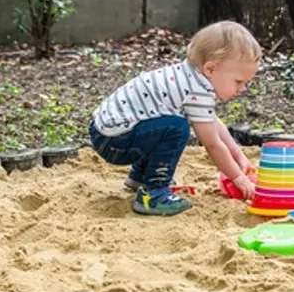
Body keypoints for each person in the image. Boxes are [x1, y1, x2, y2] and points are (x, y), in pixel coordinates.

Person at [90, 20, 258, 216]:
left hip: (108, 132)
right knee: (176, 128)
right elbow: (212, 143)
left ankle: (141, 176)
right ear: (210, 69)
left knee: (165, 124)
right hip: (115, 140)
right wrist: (237, 177)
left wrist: (239, 156)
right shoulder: (196, 90)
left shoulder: (190, 77)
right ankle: (154, 193)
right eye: (238, 81)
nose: (242, 89)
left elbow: (212, 122)